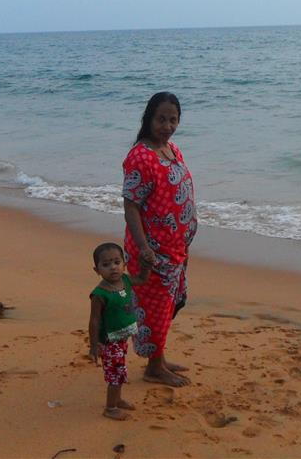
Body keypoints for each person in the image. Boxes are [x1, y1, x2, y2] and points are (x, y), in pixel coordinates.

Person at [122, 92, 197, 387]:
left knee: (169, 304)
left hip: (176, 247)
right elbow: (131, 205)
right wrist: (143, 248)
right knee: (154, 308)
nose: (167, 125)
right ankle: (154, 368)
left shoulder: (173, 149)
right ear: (149, 119)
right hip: (153, 251)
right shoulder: (140, 156)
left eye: (173, 119)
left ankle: (160, 359)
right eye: (161, 119)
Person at [88, 242, 150, 421]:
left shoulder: (126, 281)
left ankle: (118, 399)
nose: (113, 268)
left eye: (116, 262)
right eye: (106, 265)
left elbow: (143, 279)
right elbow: (94, 321)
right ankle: (110, 407)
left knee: (121, 370)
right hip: (109, 341)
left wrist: (147, 265)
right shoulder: (99, 294)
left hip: (122, 337)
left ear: (124, 264)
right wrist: (94, 346)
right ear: (97, 269)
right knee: (115, 375)